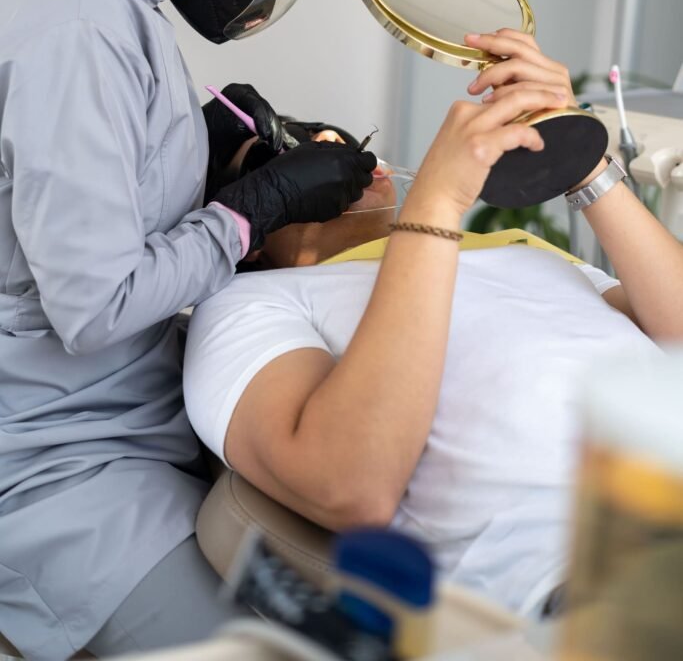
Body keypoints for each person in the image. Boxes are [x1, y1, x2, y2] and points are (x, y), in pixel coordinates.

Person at [0, 0, 376, 660]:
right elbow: (92, 303)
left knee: (345, 617)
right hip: (63, 473)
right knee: (286, 647)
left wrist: (217, 150)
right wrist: (256, 209)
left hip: (132, 431)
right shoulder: (78, 25)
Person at [183, 31, 683, 620]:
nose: (324, 143)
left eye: (333, 138)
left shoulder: (520, 250)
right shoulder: (252, 302)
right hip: (600, 573)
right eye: (284, 156)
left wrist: (581, 159)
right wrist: (436, 205)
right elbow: (350, 486)